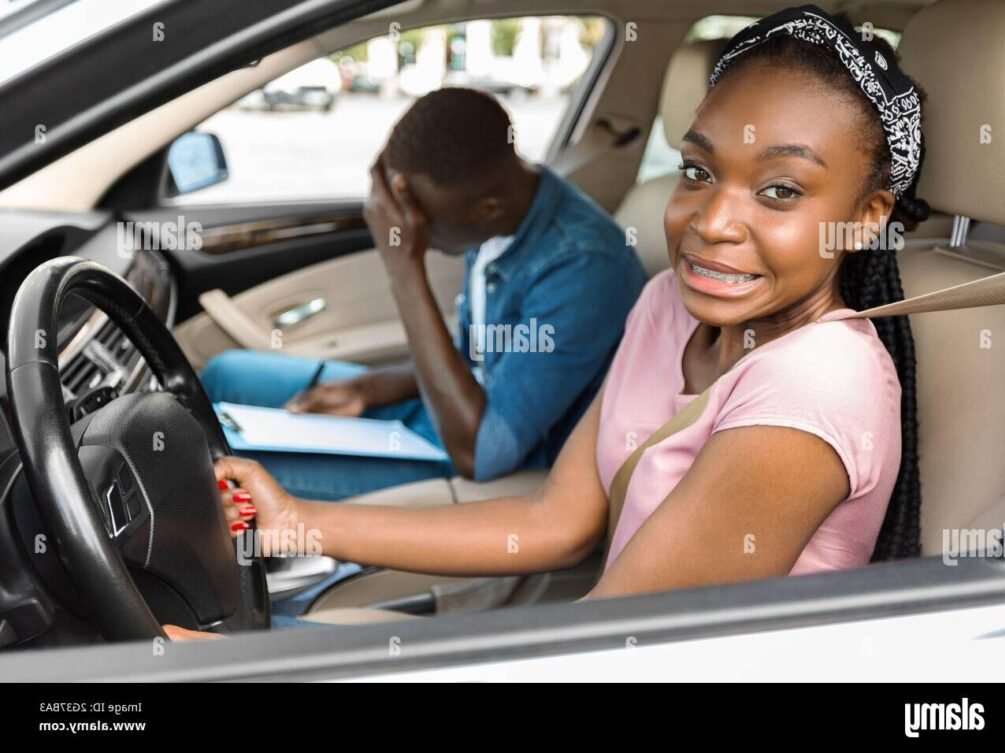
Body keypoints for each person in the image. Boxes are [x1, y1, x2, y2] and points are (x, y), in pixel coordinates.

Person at [169, 5, 927, 638]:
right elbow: (554, 521)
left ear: (864, 219)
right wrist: (295, 519)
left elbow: (616, 640)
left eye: (781, 191)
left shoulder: (818, 379)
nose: (713, 222)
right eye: (698, 172)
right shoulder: (668, 304)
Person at [200, 87, 646, 500]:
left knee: (216, 467)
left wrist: (404, 269)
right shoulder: (504, 208)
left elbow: (481, 454)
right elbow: (478, 359)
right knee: (224, 375)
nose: (406, 224)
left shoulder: (582, 267)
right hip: (451, 409)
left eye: (419, 215)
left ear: (487, 208)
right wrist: (370, 388)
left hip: (495, 461)